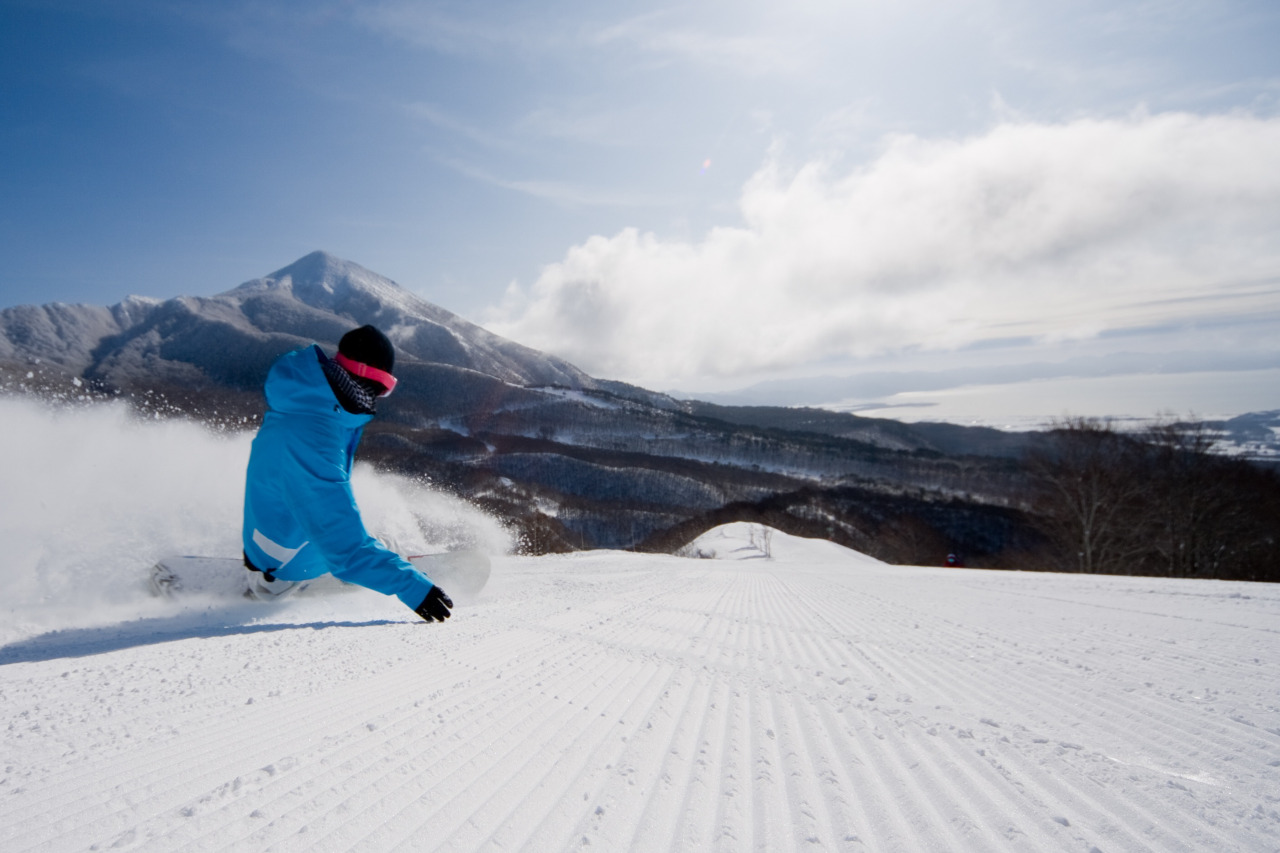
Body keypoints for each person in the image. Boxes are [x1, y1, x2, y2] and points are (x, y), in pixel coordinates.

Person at [241, 325, 452, 622]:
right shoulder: (313, 435)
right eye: (382, 388)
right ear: (369, 380)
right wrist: (412, 586)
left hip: (266, 542)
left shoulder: (307, 405)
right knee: (366, 543)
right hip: (285, 564)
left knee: (349, 525)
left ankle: (285, 572)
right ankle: (290, 583)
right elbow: (344, 547)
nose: (378, 398)